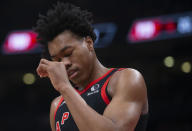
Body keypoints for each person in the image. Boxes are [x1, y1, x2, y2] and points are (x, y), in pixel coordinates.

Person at [34, 2, 148, 131]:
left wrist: (65, 87)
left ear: (89, 43)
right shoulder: (57, 105)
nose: (64, 64)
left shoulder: (126, 79)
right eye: (57, 60)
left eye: (68, 53)